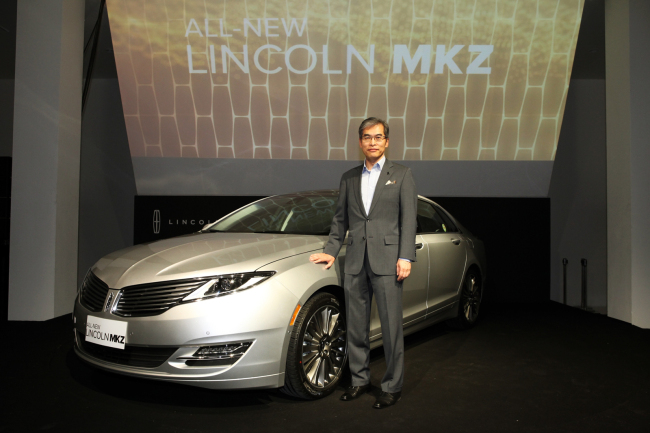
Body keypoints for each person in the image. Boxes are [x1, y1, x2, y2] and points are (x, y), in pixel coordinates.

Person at [309, 117, 417, 409]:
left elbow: (409, 220)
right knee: (356, 327)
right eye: (367, 137)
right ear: (360, 142)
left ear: (387, 141)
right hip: (355, 262)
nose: (373, 142)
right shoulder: (349, 177)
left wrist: (405, 256)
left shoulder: (402, 174)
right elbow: (340, 220)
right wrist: (332, 250)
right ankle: (359, 380)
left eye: (378, 137)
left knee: (392, 329)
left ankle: (392, 386)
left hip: (388, 262)